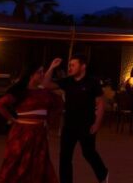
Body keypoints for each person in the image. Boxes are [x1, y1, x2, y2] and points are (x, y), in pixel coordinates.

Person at [43, 55, 109, 183]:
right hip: (69, 125)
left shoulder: (92, 82)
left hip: (86, 124)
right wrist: (51, 67)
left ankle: (103, 173)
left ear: (83, 66)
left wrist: (97, 123)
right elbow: (46, 84)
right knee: (65, 157)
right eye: (69, 65)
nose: (70, 68)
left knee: (88, 153)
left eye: (73, 65)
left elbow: (101, 103)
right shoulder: (67, 81)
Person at [0, 65, 63, 183]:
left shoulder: (45, 92)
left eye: (43, 72)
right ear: (30, 75)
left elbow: (59, 105)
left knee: (38, 162)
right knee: (17, 161)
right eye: (39, 72)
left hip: (39, 133)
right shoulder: (20, 92)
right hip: (22, 133)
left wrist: (48, 120)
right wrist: (11, 119)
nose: (42, 75)